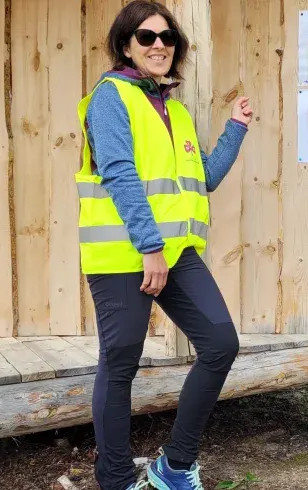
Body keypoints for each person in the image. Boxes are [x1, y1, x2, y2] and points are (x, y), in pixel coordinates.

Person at [76, 1, 252, 488]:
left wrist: (235, 129)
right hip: (122, 255)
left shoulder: (172, 109)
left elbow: (204, 179)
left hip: (175, 253)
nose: (159, 45)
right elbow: (119, 173)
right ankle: (114, 478)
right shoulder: (111, 96)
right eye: (146, 36)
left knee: (220, 343)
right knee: (121, 363)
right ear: (126, 45)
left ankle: (175, 465)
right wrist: (149, 247)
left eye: (167, 37)